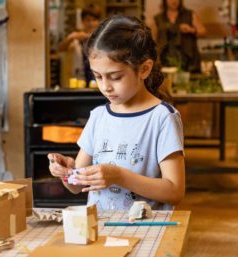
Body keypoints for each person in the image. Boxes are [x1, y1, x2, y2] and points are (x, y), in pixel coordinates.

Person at [48, 15, 185, 211]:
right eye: (98, 77)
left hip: (146, 231)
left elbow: (175, 192)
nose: (105, 87)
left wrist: (119, 176)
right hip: (101, 229)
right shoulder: (98, 116)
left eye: (115, 77)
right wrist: (67, 172)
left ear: (144, 69)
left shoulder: (162, 118)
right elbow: (76, 188)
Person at [152, 0, 206, 72]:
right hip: (166, 60)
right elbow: (153, 40)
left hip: (188, 60)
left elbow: (203, 31)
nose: (174, 1)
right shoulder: (158, 18)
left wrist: (191, 30)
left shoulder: (190, 14)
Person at [58, 4, 102, 86]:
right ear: (82, 21)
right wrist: (70, 38)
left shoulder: (102, 38)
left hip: (98, 81)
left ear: (99, 21)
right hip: (79, 81)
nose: (91, 23)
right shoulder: (76, 39)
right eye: (88, 20)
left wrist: (87, 36)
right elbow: (61, 49)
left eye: (94, 20)